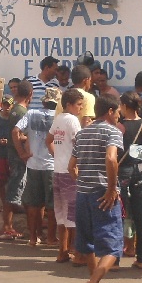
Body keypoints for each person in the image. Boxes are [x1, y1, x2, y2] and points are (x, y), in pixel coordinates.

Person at [69, 94, 124, 283]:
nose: (119, 115)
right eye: (118, 111)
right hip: (102, 194)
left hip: (82, 194)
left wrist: (83, 182)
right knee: (114, 245)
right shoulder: (112, 131)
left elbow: (71, 166)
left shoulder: (83, 133)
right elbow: (111, 158)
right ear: (110, 111)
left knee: (89, 244)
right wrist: (111, 189)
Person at [14, 86, 59, 247]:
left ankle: (34, 237)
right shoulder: (59, 117)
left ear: (44, 102)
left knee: (34, 204)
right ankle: (51, 238)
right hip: (52, 166)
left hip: (33, 165)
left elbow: (15, 131)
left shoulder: (32, 114)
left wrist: (21, 153)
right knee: (53, 205)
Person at [117, 91, 142, 268]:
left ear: (125, 106)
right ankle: (141, 259)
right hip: (140, 171)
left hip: (123, 171)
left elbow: (115, 151)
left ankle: (115, 259)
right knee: (139, 214)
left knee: (120, 213)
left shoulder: (119, 126)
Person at [49, 89, 84, 262]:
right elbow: (79, 144)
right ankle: (77, 252)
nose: (81, 108)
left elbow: (48, 140)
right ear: (69, 104)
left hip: (57, 171)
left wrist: (57, 156)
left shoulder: (58, 119)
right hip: (70, 172)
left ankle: (62, 251)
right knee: (74, 214)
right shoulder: (72, 121)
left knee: (61, 214)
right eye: (78, 104)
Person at [1, 81, 32, 240]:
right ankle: (8, 227)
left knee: (17, 190)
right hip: (18, 157)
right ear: (30, 95)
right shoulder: (22, 112)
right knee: (14, 191)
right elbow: (17, 134)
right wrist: (23, 152)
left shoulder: (14, 110)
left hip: (13, 155)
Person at [0, 96, 14, 238]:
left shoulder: (13, 119)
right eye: (4, 104)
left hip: (10, 158)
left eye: (8, 105)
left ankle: (8, 226)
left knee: (7, 193)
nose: (6, 107)